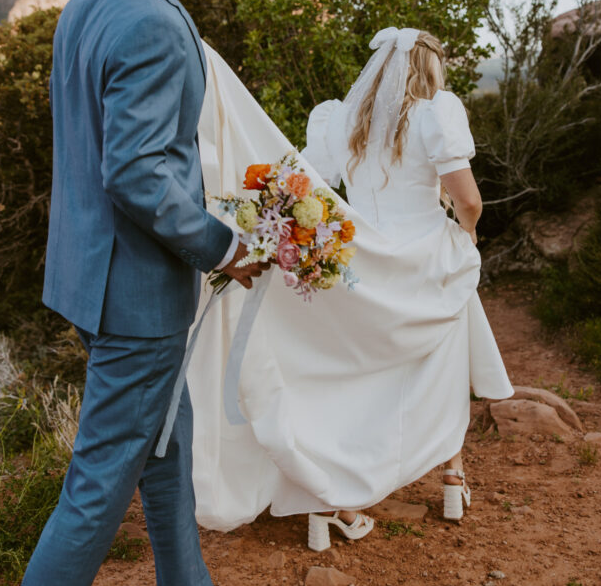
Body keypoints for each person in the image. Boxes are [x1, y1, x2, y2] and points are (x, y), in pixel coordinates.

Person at [0, 0, 283, 586]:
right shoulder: (158, 21)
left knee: (167, 436)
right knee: (95, 489)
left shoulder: (86, 5)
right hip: (138, 295)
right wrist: (224, 246)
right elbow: (136, 170)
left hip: (89, 278)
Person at [180, 27, 515, 549]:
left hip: (371, 266)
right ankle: (453, 477)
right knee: (441, 366)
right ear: (429, 70)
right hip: (426, 259)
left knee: (361, 378)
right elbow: (468, 201)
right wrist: (465, 237)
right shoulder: (435, 114)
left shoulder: (342, 122)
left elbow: (315, 180)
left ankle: (324, 500)